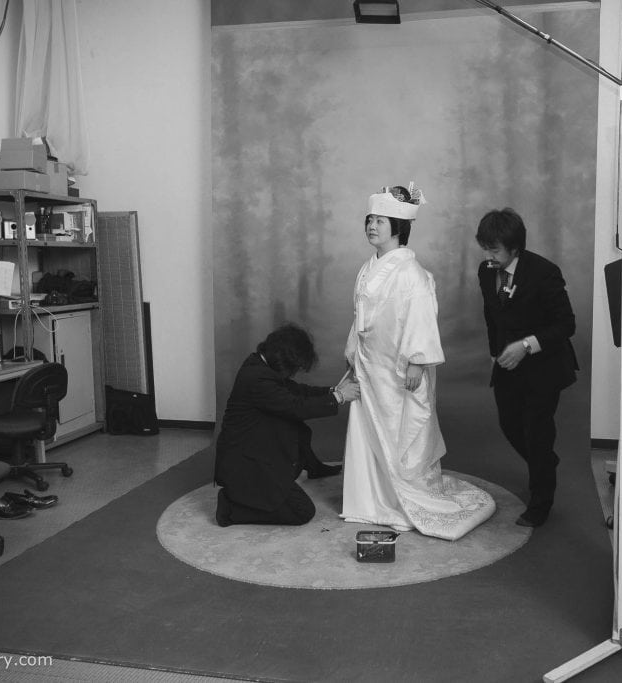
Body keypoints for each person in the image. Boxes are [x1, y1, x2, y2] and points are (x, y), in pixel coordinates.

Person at [341, 184, 495, 541]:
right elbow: (360, 317)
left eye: (380, 221)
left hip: (398, 367)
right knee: (369, 429)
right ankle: (371, 501)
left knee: (401, 434)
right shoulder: (367, 268)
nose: (372, 226)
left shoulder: (412, 273)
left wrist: (417, 361)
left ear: (398, 227)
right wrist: (353, 355)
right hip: (371, 364)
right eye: (370, 220)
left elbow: (422, 318)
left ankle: (400, 500)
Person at [475, 208, 578, 527]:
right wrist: (495, 353)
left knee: (537, 434)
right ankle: (544, 462)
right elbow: (491, 316)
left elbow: (566, 324)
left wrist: (526, 345)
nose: (488, 256)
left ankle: (540, 502)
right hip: (507, 364)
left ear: (515, 248)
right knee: (510, 425)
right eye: (484, 248)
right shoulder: (486, 271)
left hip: (544, 367)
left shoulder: (544, 272)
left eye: (495, 250)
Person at [214, 323, 359, 527]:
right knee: (302, 512)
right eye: (296, 368)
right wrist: (339, 397)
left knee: (296, 430)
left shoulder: (260, 364)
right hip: (246, 463)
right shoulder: (257, 378)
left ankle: (313, 467)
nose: (295, 373)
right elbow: (296, 406)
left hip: (255, 447)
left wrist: (333, 390)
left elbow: (297, 391)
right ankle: (230, 508)